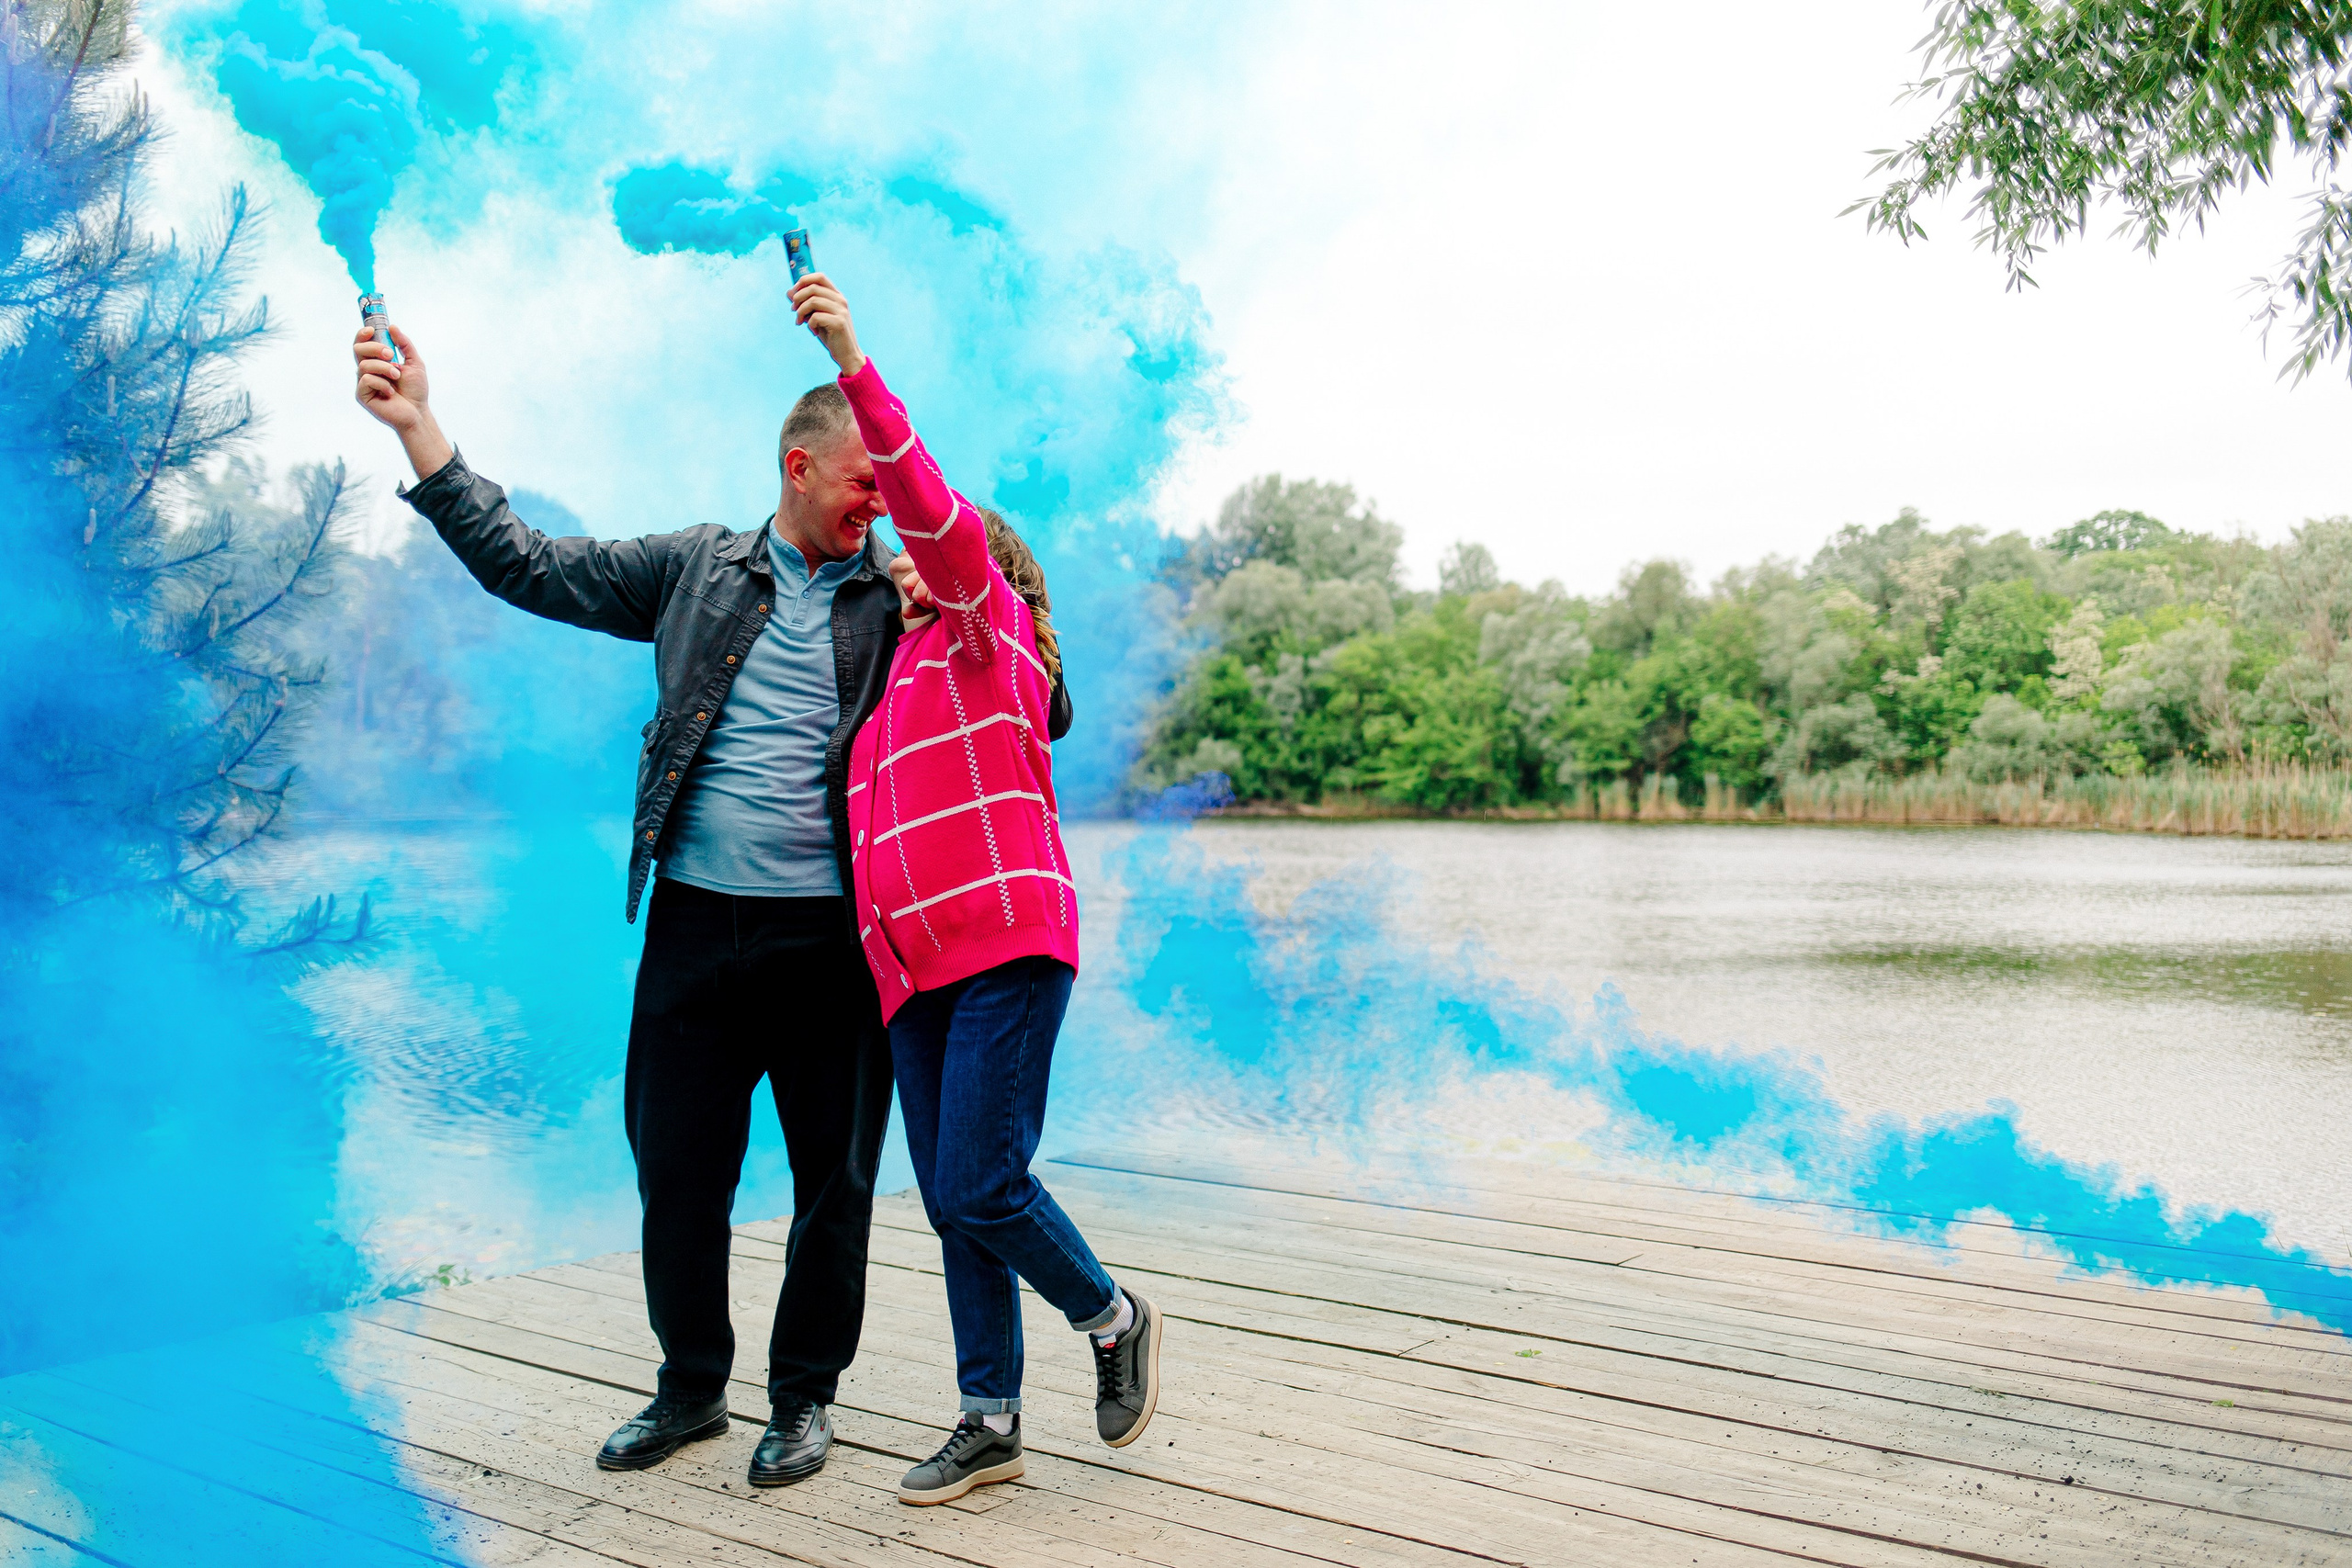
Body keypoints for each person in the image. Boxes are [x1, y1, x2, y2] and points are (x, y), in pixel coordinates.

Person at [349, 318, 899, 1489]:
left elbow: (1036, 695)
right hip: (695, 926)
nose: (882, 500)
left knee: (835, 1182)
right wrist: (418, 428)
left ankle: (803, 1400)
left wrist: (950, 590)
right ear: (800, 466)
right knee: (676, 1172)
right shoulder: (697, 567)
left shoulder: (902, 598)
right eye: (866, 480)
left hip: (834, 940)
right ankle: (691, 1388)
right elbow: (527, 564)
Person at [787, 271, 1164, 1506]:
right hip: (913, 976)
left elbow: (930, 507)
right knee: (955, 1205)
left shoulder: (979, 636)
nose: (902, 558)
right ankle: (988, 1419)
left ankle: (1111, 1314)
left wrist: (852, 363)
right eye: (895, 550)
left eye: (923, 549)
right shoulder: (889, 682)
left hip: (1004, 944)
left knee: (980, 1183)